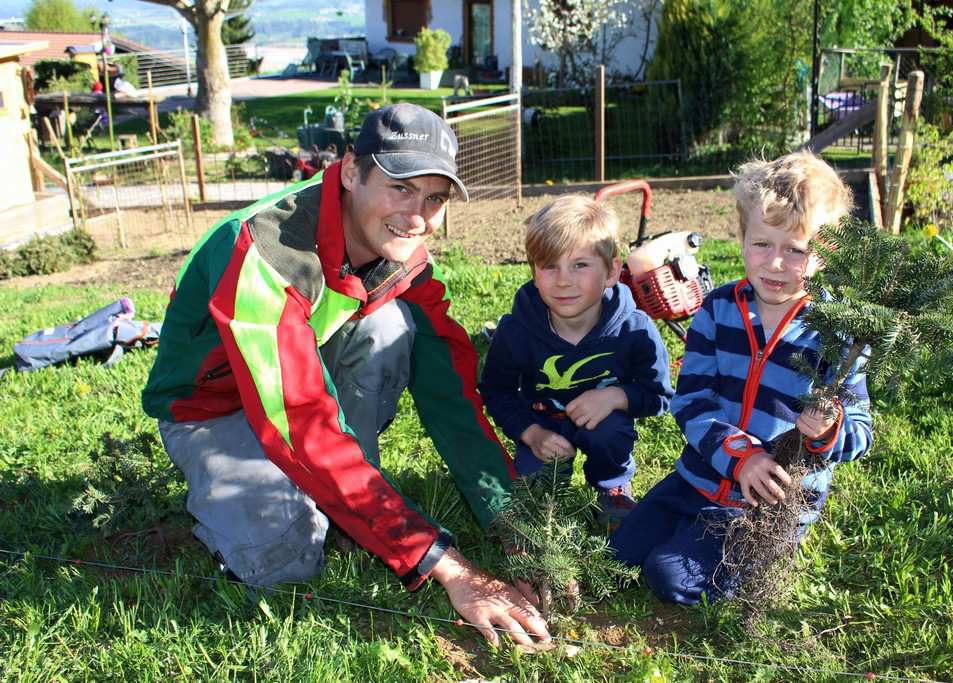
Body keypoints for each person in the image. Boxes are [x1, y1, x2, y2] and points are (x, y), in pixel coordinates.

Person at [141, 103, 549, 646]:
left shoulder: (403, 254)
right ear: (352, 171)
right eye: (401, 188)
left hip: (300, 377)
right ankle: (322, 505)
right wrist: (447, 566)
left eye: (435, 198)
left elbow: (451, 395)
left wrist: (511, 521)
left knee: (392, 327)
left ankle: (352, 504)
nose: (418, 216)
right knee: (282, 556)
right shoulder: (265, 250)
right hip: (214, 407)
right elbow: (304, 425)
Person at [609, 150, 873, 603]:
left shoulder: (841, 334)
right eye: (762, 244)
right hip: (701, 475)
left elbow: (861, 430)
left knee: (667, 575)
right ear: (741, 236)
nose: (775, 263)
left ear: (827, 253)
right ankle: (688, 529)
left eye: (796, 250)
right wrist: (737, 455)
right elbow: (690, 399)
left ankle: (765, 555)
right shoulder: (718, 309)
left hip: (764, 504)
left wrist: (829, 432)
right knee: (616, 555)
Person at [478, 194, 674, 529]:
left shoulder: (635, 330)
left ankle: (612, 485)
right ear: (534, 273)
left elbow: (659, 395)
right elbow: (496, 393)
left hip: (604, 425)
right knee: (532, 494)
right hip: (543, 423)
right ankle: (549, 486)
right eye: (550, 266)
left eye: (580, 265)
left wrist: (617, 396)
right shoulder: (515, 331)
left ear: (612, 272)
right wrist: (530, 432)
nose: (563, 280)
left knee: (609, 430)